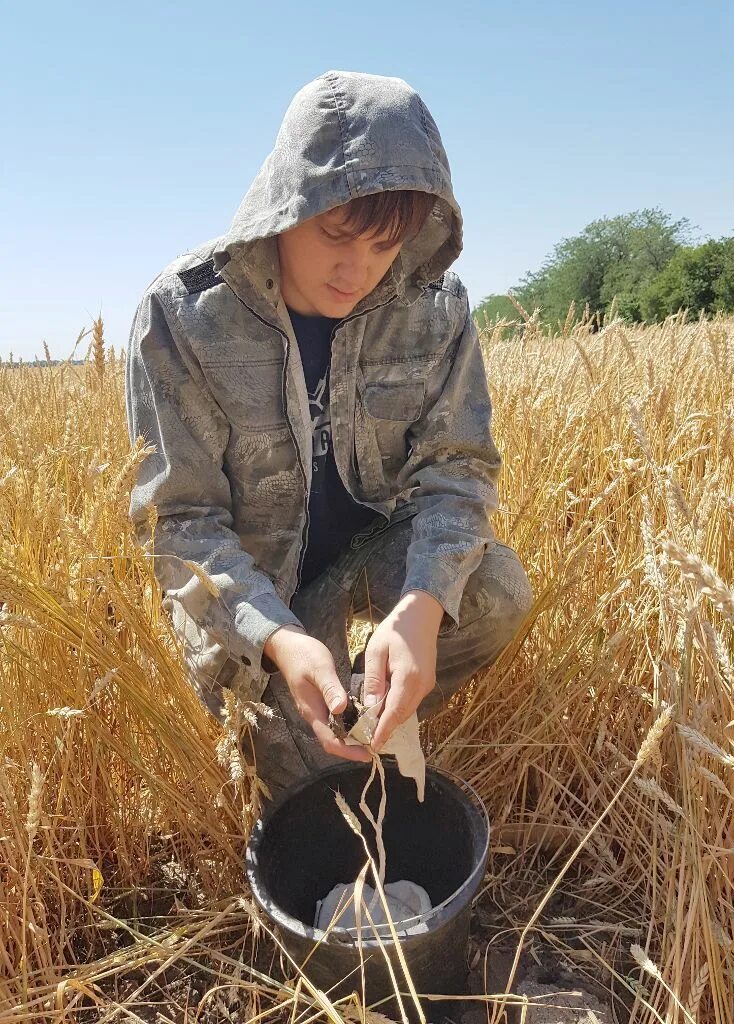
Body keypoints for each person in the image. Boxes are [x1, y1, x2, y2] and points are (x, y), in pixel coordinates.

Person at [125, 70, 533, 797]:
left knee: (497, 589)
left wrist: (421, 607)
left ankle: (367, 705)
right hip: (248, 594)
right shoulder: (181, 315)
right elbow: (179, 523)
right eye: (335, 235)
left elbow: (457, 469)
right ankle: (307, 724)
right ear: (286, 205)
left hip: (360, 559)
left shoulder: (435, 308)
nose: (357, 271)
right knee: (308, 785)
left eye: (384, 247)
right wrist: (279, 639)